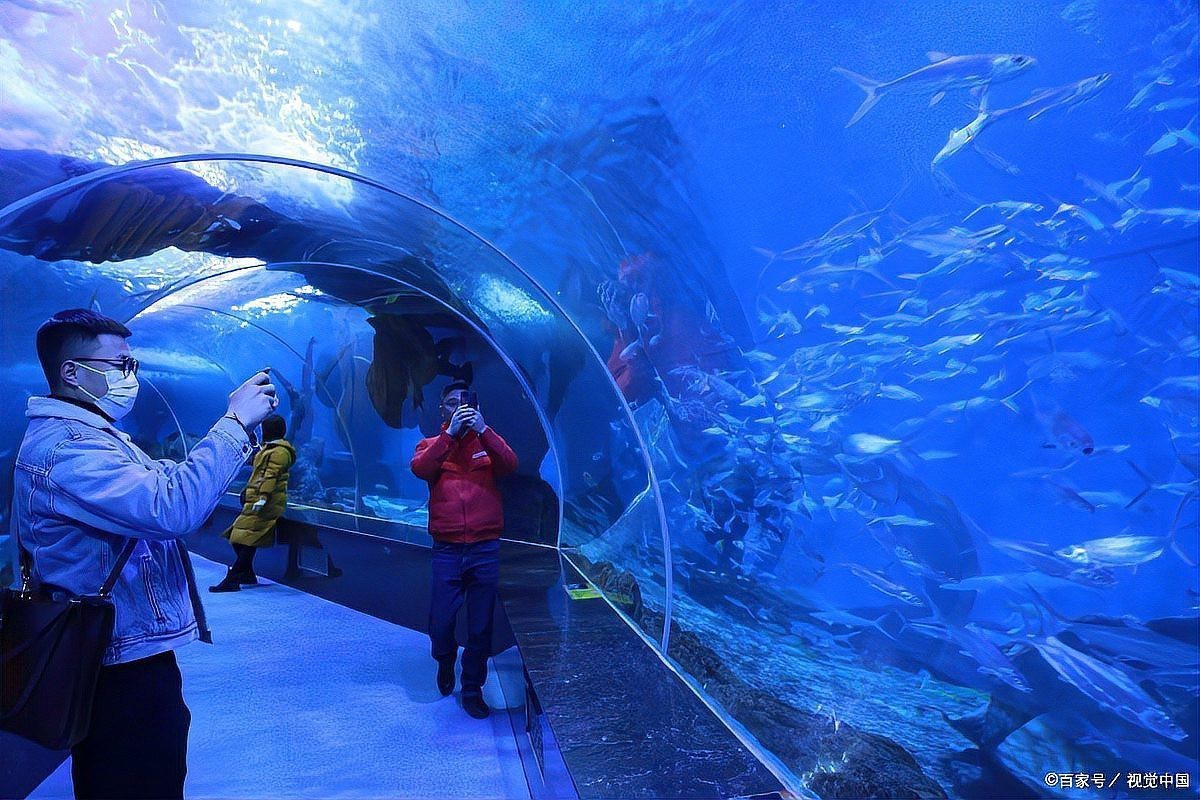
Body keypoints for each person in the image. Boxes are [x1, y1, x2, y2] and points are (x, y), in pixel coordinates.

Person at [11, 309, 277, 799]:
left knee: (145, 769)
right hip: (113, 658)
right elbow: (170, 507)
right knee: (137, 779)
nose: (130, 377)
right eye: (120, 366)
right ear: (72, 371)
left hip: (123, 647)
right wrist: (235, 422)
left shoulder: (95, 435)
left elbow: (165, 488)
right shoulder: (70, 448)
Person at [410, 381, 518, 719]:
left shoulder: (486, 442)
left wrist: (483, 429)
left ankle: (472, 688)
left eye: (466, 402)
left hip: (485, 547)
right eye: (452, 402)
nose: (460, 407)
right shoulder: (431, 444)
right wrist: (450, 436)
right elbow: (421, 469)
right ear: (442, 409)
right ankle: (444, 661)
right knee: (441, 622)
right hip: (448, 549)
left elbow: (510, 464)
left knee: (481, 626)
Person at [209, 414, 295, 592]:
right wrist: (248, 492)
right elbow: (258, 475)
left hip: (267, 504)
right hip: (255, 500)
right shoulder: (269, 449)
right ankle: (246, 573)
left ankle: (233, 579)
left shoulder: (280, 452)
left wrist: (263, 497)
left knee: (247, 539)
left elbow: (271, 475)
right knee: (238, 538)